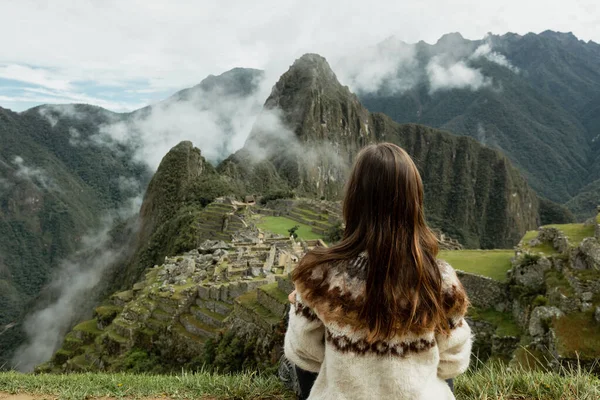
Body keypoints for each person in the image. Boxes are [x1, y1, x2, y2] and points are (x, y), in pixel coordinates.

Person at [283, 143, 472, 400]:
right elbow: (453, 362)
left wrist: (302, 304)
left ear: (354, 200)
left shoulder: (320, 276)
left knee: (296, 337)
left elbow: (304, 354)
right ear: (414, 203)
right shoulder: (440, 280)